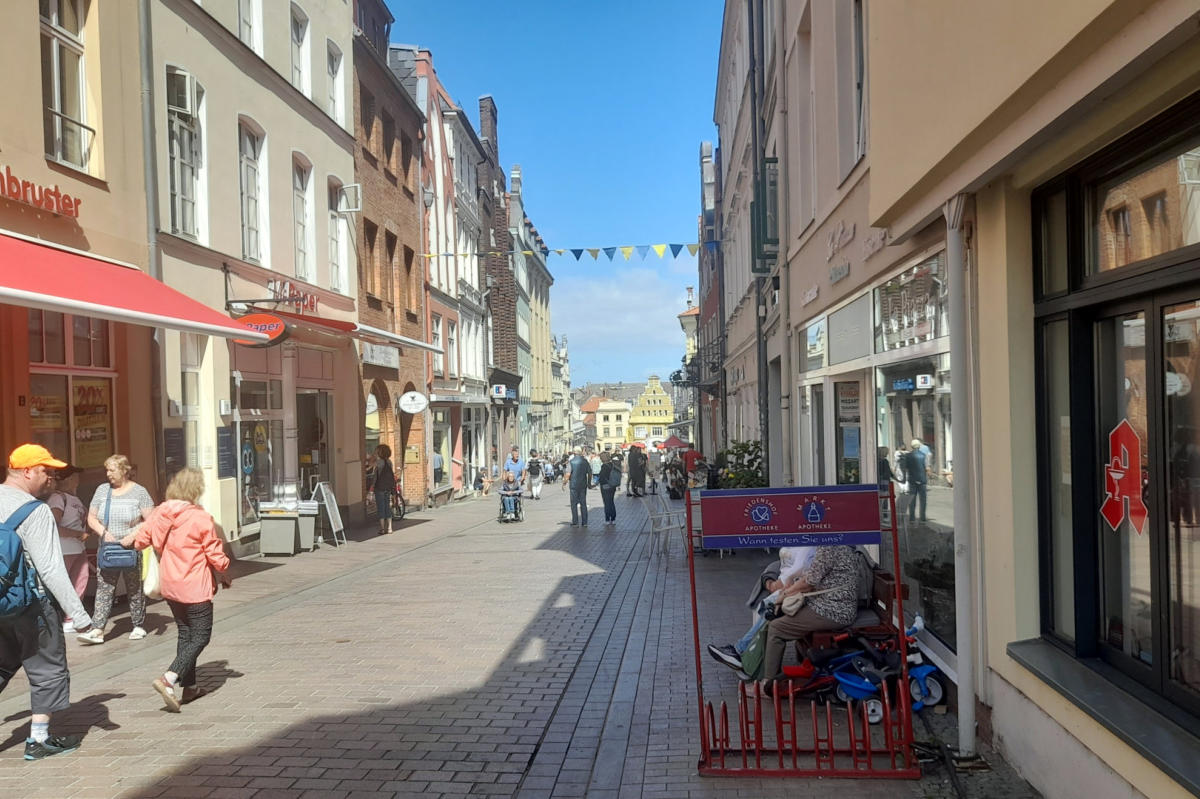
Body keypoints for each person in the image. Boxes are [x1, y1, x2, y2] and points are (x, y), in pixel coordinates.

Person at [0, 444, 95, 760]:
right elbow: (51, 568)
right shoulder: (36, 511)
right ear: (27, 471)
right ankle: (38, 740)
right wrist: (80, 616)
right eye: (45, 471)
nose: (51, 477)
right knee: (48, 669)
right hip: (32, 605)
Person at [122, 468, 230, 711]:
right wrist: (225, 570)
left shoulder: (160, 512)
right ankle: (168, 679)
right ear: (195, 489)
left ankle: (190, 687)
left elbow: (141, 541)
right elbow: (214, 554)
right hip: (195, 585)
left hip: (170, 584)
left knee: (185, 634)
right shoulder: (200, 517)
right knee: (201, 636)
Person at [759, 545, 860, 689]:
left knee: (776, 628)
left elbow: (809, 582)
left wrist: (785, 594)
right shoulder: (838, 544)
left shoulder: (829, 547)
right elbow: (811, 577)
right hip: (835, 605)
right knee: (782, 616)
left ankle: (768, 685)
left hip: (833, 610)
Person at [706, 547, 818, 675]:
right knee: (764, 608)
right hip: (787, 585)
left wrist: (783, 585)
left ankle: (743, 654)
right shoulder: (796, 540)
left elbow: (803, 570)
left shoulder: (812, 543)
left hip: (796, 590)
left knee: (771, 613)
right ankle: (747, 656)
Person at [78, 454, 153, 645]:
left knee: (134, 587)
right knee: (104, 587)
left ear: (124, 470)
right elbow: (91, 517)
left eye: (112, 470)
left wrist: (133, 535)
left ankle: (138, 624)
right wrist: (103, 532)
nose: (108, 474)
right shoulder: (102, 490)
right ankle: (97, 629)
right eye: (107, 470)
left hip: (130, 548)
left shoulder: (139, 492)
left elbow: (151, 519)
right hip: (108, 548)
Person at [47, 464, 89, 634]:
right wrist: (77, 534)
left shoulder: (74, 499)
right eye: (75, 476)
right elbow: (54, 527)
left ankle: (72, 618)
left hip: (78, 548)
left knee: (80, 582)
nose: (78, 479)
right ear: (69, 478)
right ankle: (62, 619)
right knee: (65, 585)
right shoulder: (57, 498)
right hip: (64, 549)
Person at [371, 444, 396, 535]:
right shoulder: (389, 462)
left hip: (379, 488)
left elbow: (375, 477)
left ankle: (382, 529)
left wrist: (371, 489)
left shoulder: (378, 463)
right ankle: (390, 528)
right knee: (387, 507)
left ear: (379, 452)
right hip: (388, 487)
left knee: (381, 508)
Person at [904, 438, 929, 523]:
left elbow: (906, 467)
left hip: (912, 480)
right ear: (919, 446)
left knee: (912, 499)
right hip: (922, 480)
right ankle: (922, 517)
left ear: (912, 446)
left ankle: (912, 518)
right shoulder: (924, 455)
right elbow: (927, 468)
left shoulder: (907, 456)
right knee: (923, 500)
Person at [565, 446, 590, 527]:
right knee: (583, 503)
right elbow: (590, 472)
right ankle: (585, 522)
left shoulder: (571, 462)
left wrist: (564, 483)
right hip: (583, 484)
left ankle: (575, 522)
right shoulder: (585, 461)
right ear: (580, 452)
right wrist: (589, 483)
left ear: (574, 452)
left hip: (574, 485)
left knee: (574, 503)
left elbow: (568, 474)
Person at [598, 452, 620, 525]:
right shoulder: (612, 465)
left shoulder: (604, 466)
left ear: (603, 458)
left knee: (607, 503)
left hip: (605, 486)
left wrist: (596, 483)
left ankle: (607, 519)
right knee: (611, 502)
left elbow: (602, 478)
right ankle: (613, 519)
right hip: (613, 486)